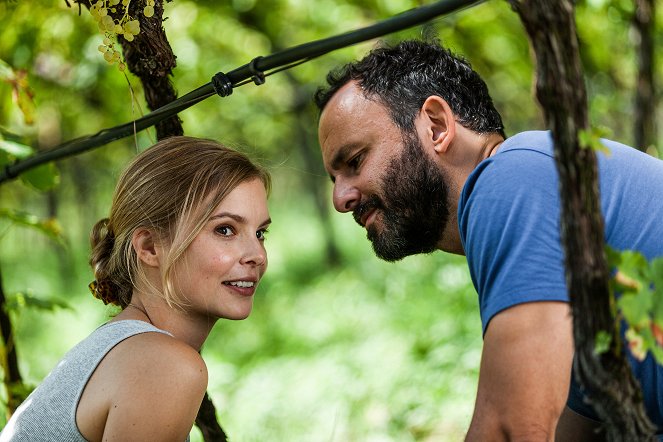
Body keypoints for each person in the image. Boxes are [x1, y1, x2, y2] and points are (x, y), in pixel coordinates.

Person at [314, 39, 663, 440]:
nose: (341, 199)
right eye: (334, 179)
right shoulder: (538, 183)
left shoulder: (511, 177)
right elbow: (564, 426)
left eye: (355, 161)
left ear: (437, 126)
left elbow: (510, 428)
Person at [0, 136, 271, 441]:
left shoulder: (121, 345)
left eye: (260, 233)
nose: (258, 255)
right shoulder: (165, 367)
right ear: (150, 247)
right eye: (225, 229)